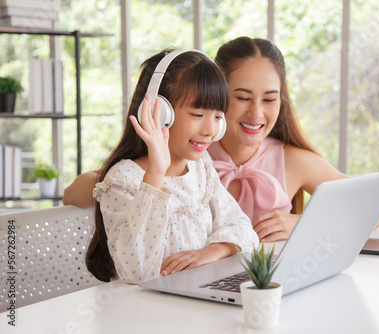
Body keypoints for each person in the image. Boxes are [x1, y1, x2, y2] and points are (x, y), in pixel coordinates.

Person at [64, 37, 379, 243]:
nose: (257, 113)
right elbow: (74, 193)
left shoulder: (293, 160)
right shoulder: (192, 151)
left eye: (270, 99)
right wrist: (134, 182)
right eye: (241, 97)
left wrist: (302, 223)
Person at [85, 49, 258, 284]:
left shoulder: (200, 168)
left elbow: (242, 228)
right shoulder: (124, 179)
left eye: (218, 117)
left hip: (192, 297)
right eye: (198, 114)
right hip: (144, 309)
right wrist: (155, 173)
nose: (210, 130)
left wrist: (210, 252)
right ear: (160, 112)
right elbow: (136, 271)